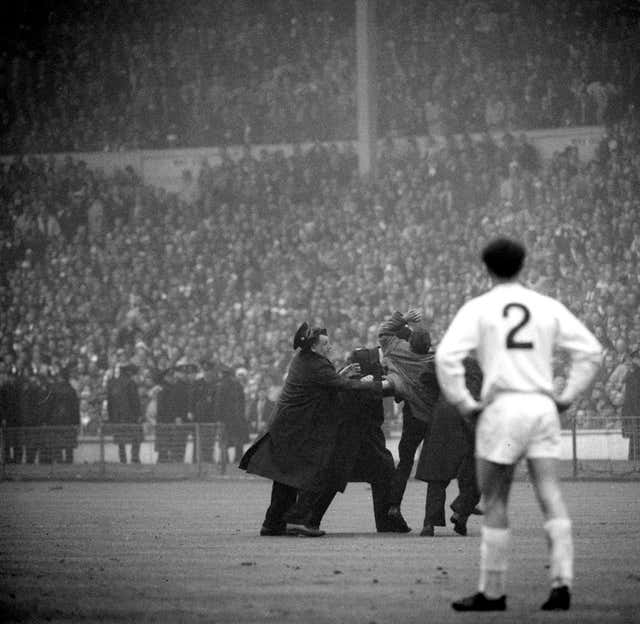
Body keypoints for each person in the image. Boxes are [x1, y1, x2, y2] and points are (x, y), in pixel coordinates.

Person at [435, 237, 602, 612]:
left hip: (502, 407)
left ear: (486, 267)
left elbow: (446, 356)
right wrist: (567, 395)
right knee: (549, 493)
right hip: (541, 406)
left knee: (494, 500)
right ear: (523, 265)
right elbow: (590, 351)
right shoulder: (545, 305)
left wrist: (465, 403)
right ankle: (561, 584)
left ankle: (492, 592)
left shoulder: (479, 308)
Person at [239, 322, 387, 537]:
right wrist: (376, 385)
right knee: (316, 472)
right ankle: (297, 520)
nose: (330, 347)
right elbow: (342, 386)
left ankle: (273, 523)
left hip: (288, 429)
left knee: (285, 478)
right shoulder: (316, 364)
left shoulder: (305, 360)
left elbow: (327, 382)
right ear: (314, 347)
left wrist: (341, 374)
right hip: (295, 430)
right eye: (325, 343)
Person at [303, 346, 410, 534]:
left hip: (361, 440)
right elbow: (366, 389)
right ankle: (309, 520)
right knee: (336, 479)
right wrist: (381, 383)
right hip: (353, 439)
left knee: (381, 473)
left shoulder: (359, 373)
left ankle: (385, 522)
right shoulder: (357, 373)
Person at [378, 309, 440, 529]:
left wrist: (403, 318)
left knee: (404, 463)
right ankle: (433, 520)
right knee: (437, 469)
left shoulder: (398, 350)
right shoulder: (435, 359)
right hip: (432, 418)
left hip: (412, 416)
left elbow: (383, 332)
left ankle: (394, 505)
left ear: (410, 342)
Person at [415, 356, 483, 537]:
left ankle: (429, 524)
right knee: (476, 472)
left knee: (437, 475)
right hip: (468, 418)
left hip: (443, 415)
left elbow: (425, 376)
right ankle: (461, 512)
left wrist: (437, 396)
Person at [106, 362, 143, 464]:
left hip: (117, 418)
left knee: (121, 442)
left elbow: (109, 403)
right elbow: (135, 401)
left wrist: (111, 418)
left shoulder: (112, 383)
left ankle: (123, 460)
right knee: (136, 438)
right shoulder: (130, 383)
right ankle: (135, 459)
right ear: (129, 372)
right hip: (131, 418)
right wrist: (139, 415)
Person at [215, 365, 249, 464]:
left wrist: (218, 418)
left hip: (226, 418)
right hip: (238, 418)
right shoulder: (238, 385)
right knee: (238, 440)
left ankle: (225, 459)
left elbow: (219, 403)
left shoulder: (221, 386)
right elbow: (242, 403)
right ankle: (238, 458)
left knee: (224, 439)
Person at [622, 349, 640, 461]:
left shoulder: (634, 374)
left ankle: (634, 458)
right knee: (634, 435)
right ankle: (633, 458)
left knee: (636, 435)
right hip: (632, 409)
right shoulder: (630, 374)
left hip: (635, 409)